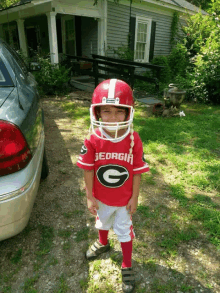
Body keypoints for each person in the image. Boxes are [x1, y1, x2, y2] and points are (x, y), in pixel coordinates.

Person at [77, 79, 149, 293]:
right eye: (106, 111)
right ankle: (103, 242)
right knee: (102, 221)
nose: (113, 118)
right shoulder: (92, 138)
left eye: (120, 111)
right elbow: (88, 169)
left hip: (124, 199)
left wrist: (135, 197)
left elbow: (136, 172)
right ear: (97, 113)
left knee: (125, 232)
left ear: (129, 113)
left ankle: (126, 262)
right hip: (101, 196)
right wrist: (89, 196)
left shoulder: (133, 139)